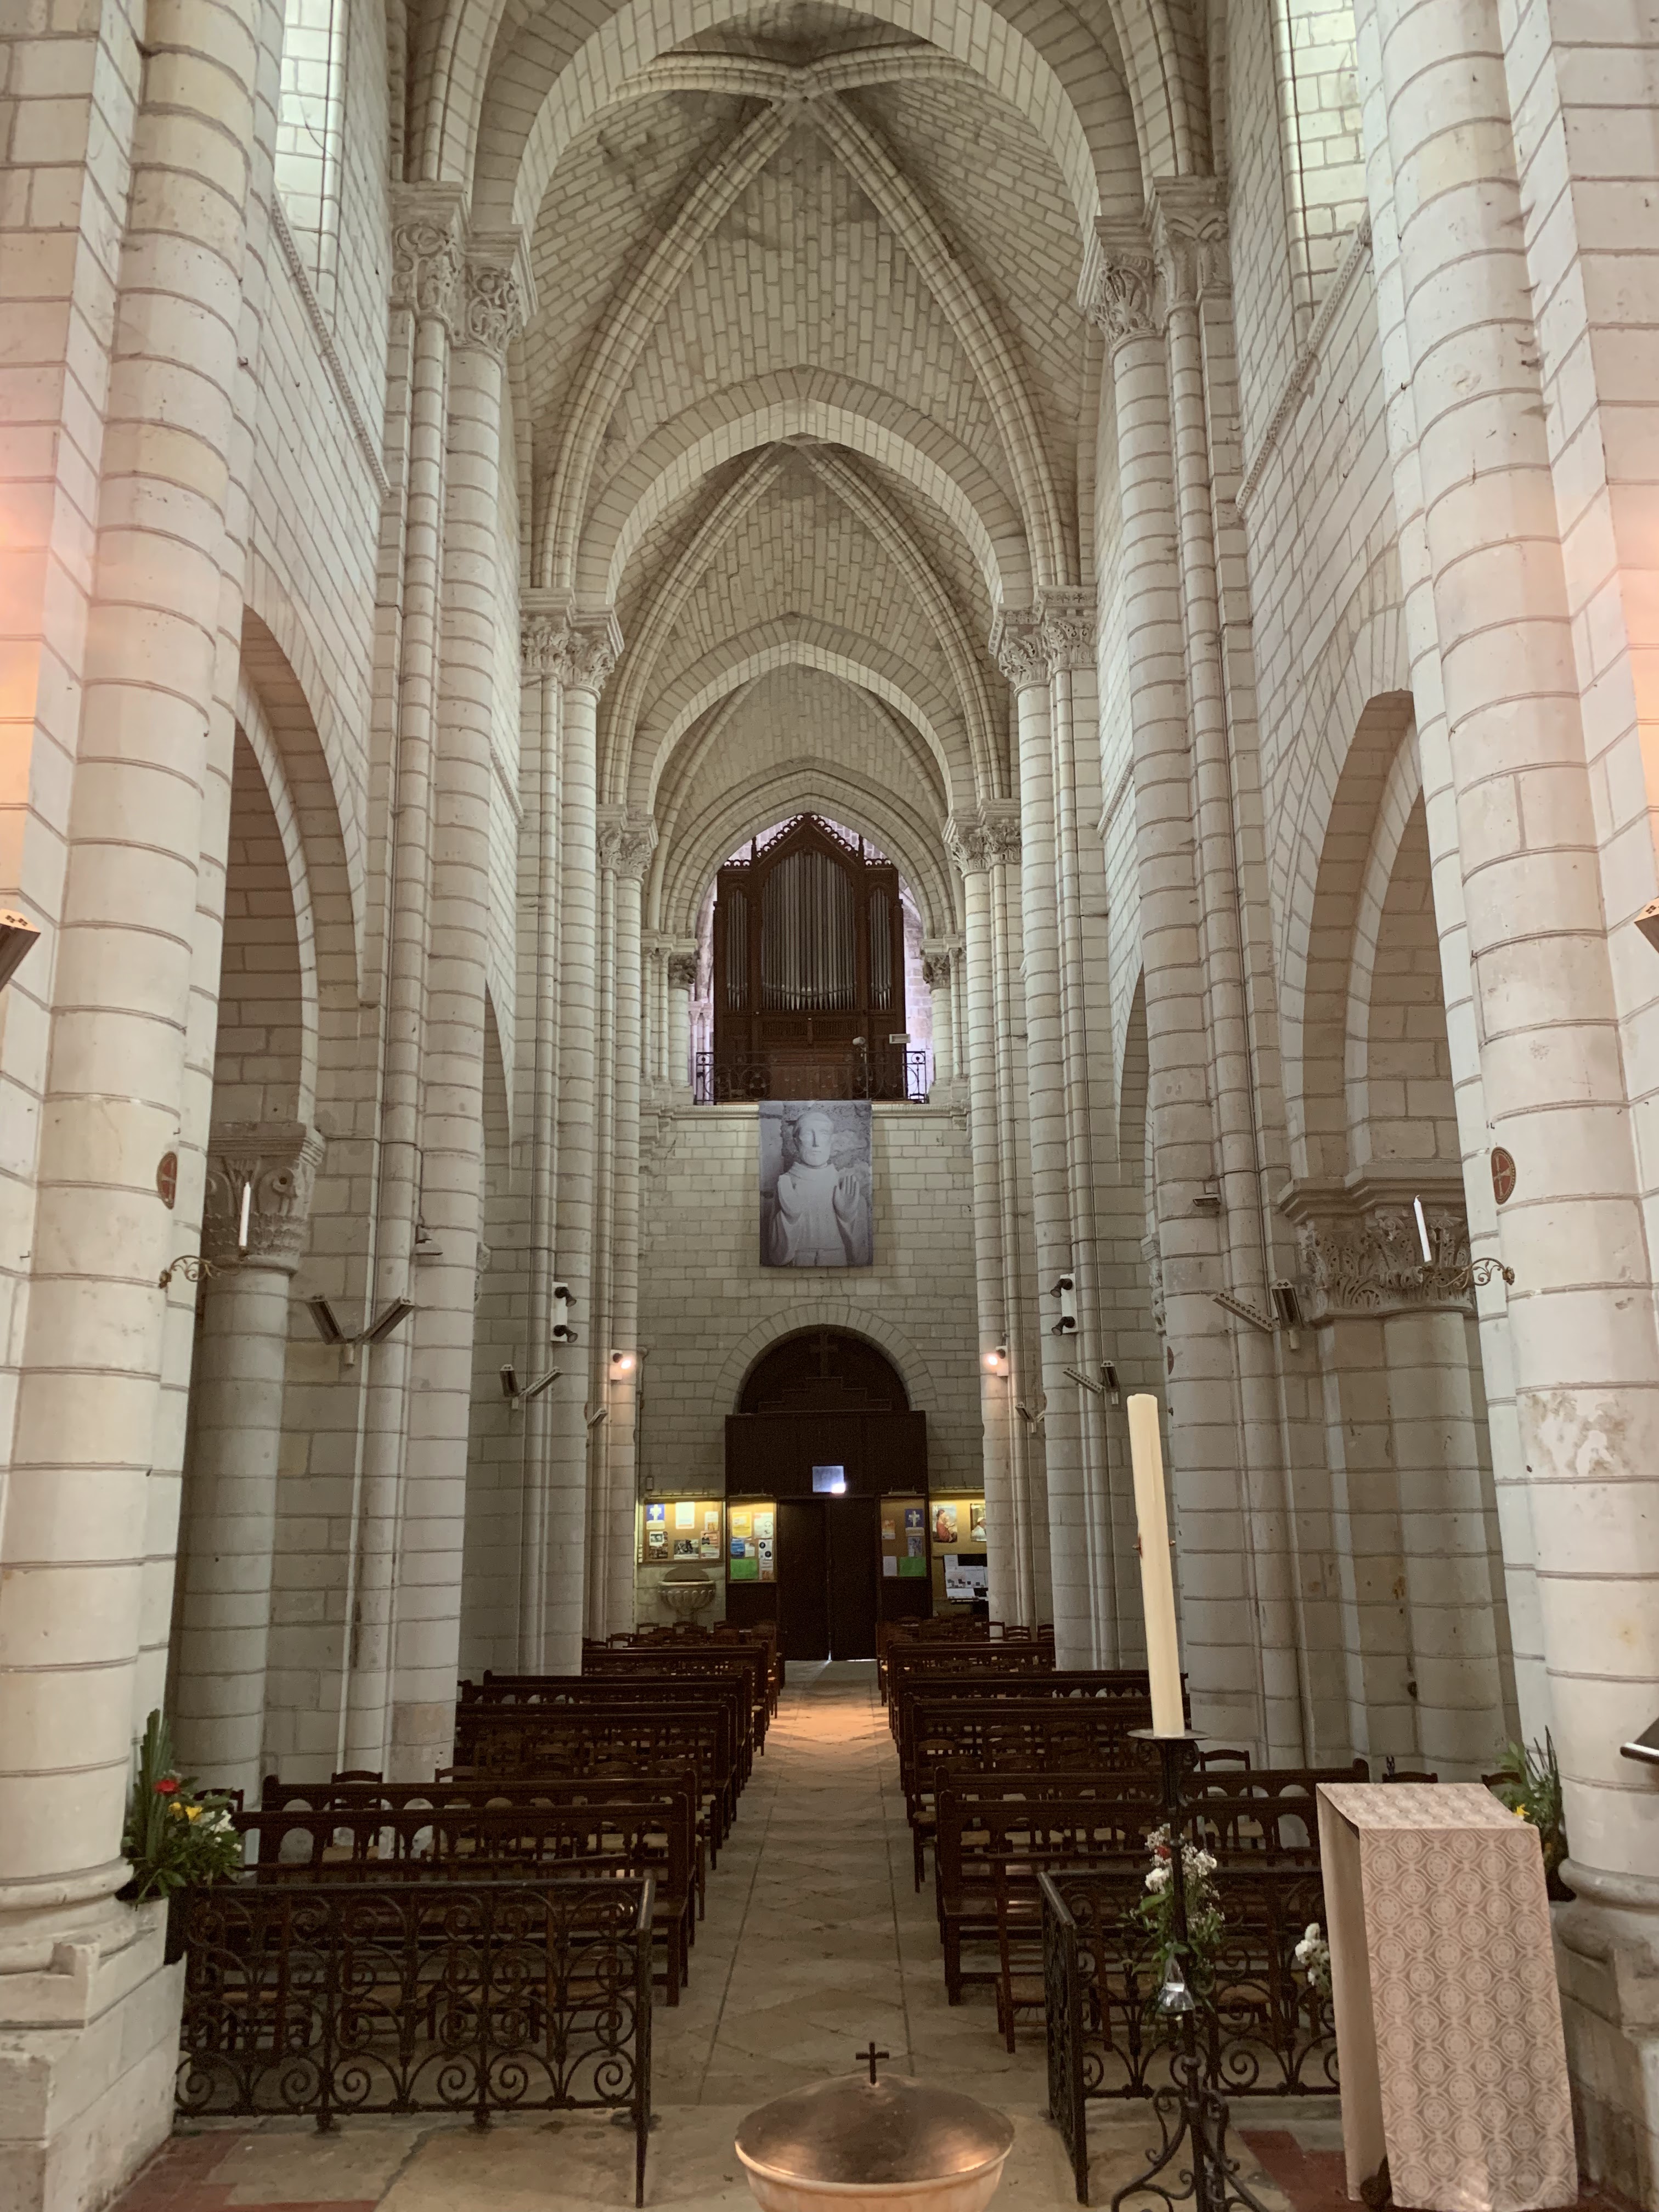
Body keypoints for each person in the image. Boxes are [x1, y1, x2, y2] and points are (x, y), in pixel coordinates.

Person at [768, 1108, 870, 1266]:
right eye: (808, 1134)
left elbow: (861, 1257)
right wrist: (789, 1218)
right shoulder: (787, 1184)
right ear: (796, 1141)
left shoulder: (845, 1185)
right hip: (799, 1264)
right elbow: (776, 1257)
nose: (816, 1143)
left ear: (832, 1140)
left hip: (837, 1261)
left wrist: (848, 1218)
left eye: (823, 1134)